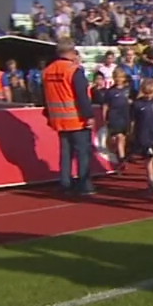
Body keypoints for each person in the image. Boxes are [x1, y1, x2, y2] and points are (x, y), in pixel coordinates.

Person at [42, 39, 96, 196]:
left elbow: (44, 95)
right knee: (83, 153)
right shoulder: (73, 70)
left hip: (59, 118)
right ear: (72, 52)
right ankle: (84, 185)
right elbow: (81, 96)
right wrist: (89, 116)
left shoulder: (47, 70)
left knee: (66, 153)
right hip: (76, 118)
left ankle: (65, 183)